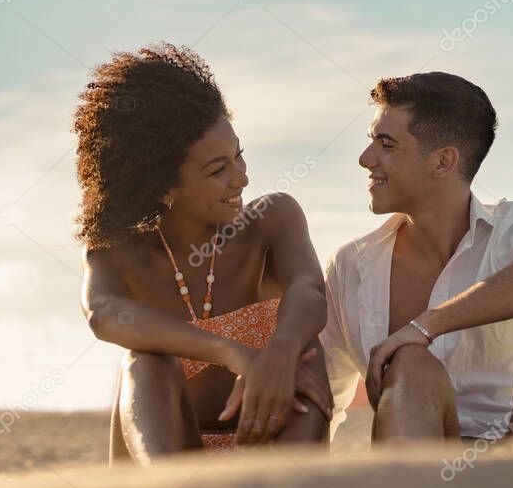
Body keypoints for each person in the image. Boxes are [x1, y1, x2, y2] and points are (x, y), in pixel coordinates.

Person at [322, 72, 513, 449]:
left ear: (443, 162)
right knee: (409, 363)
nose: (365, 159)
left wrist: (427, 325)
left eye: (386, 144)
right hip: (417, 479)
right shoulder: (350, 265)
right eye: (371, 141)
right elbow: (322, 398)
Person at [76, 43, 333, 464]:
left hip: (273, 457)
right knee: (145, 362)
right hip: (167, 461)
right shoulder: (118, 253)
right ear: (161, 186)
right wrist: (232, 352)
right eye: (218, 170)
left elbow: (308, 289)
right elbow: (101, 313)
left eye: (239, 156)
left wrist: (278, 353)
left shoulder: (272, 219)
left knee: (305, 351)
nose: (241, 178)